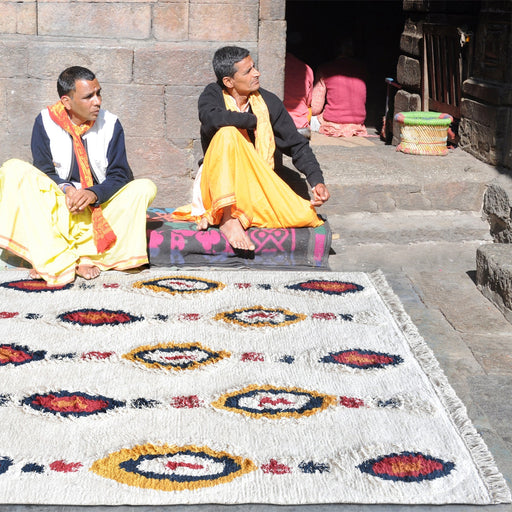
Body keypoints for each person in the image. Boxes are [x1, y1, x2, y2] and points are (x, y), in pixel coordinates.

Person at [0, 66, 157, 286]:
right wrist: (68, 190)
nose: (98, 101)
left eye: (98, 93)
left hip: (98, 206)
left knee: (145, 187)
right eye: (89, 96)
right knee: (13, 169)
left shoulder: (111, 124)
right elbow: (44, 171)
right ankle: (53, 256)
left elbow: (120, 174)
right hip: (60, 202)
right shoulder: (44, 121)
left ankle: (87, 255)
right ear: (66, 101)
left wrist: (93, 193)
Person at [172, 46, 330, 251]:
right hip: (218, 183)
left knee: (304, 215)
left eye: (254, 67)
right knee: (227, 132)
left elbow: (297, 145)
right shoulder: (213, 94)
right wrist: (250, 121)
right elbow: (210, 117)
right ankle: (228, 218)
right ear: (229, 81)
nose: (257, 73)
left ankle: (234, 214)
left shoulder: (268, 102)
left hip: (256, 183)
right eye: (248, 71)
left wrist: (317, 181)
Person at [311, 38, 368, 137]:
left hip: (332, 123)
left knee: (302, 120)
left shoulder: (325, 69)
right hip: (357, 125)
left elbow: (316, 108)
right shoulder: (362, 69)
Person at [283, 52, 314, 138]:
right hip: (301, 127)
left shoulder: (269, 69)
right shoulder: (307, 69)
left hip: (277, 126)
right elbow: (309, 102)